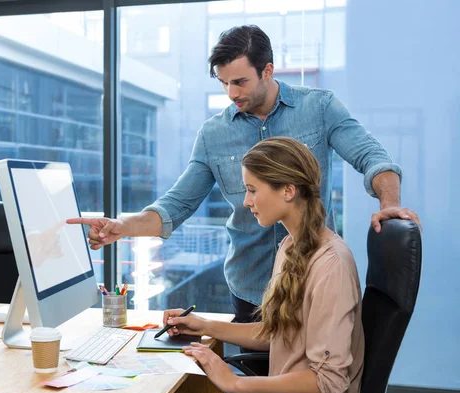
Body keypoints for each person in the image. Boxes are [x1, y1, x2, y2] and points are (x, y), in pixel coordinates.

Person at [67, 25, 421, 324]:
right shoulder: (213, 134)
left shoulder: (320, 107)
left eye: (240, 81)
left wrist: (390, 204)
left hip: (311, 280)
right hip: (250, 289)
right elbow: (176, 205)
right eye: (223, 83)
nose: (231, 93)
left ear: (268, 70)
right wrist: (121, 227)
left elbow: (372, 157)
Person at [163, 137, 364, 393]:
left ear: (288, 191)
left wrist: (235, 384)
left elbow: (330, 382)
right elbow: (278, 333)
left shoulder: (330, 265)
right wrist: (203, 325)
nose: (246, 201)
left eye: (252, 189)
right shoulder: (290, 246)